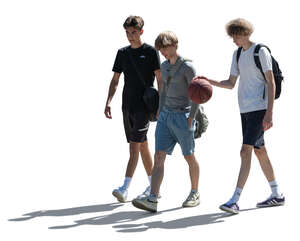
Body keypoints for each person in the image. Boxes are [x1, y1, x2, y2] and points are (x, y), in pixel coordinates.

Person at [202, 18, 285, 214]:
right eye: (232, 36)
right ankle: (277, 194)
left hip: (259, 109)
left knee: (245, 151)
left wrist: (269, 113)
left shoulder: (260, 51)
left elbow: (271, 82)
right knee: (259, 150)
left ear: (246, 33)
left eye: (236, 36)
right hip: (245, 110)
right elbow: (231, 83)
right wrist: (208, 81)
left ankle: (235, 199)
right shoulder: (237, 54)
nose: (234, 40)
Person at [131, 31, 201, 212]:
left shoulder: (188, 67)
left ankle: (195, 193)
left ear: (174, 45)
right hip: (165, 117)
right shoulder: (163, 66)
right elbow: (162, 91)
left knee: (189, 156)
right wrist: (159, 113)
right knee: (159, 157)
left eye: (164, 47)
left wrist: (191, 117)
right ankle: (153, 198)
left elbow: (196, 95)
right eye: (160, 49)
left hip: (183, 117)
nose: (162, 51)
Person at [104, 16, 161, 203]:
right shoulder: (122, 53)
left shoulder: (151, 52)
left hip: (144, 107)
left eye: (134, 32)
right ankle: (154, 186)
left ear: (141, 31)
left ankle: (124, 188)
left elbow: (160, 80)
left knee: (134, 146)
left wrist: (161, 105)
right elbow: (115, 80)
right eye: (127, 33)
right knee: (142, 144)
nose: (130, 36)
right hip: (126, 105)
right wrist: (108, 101)